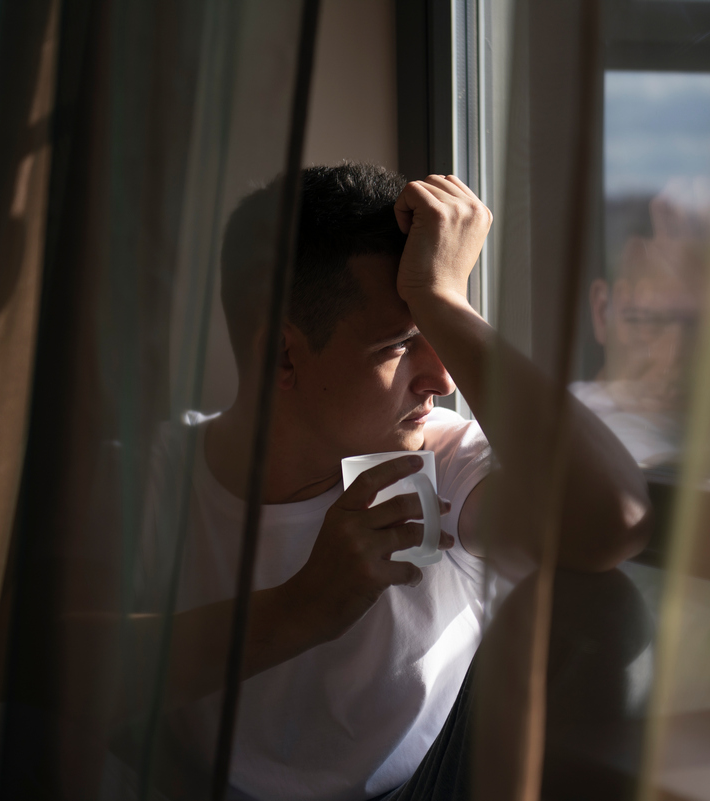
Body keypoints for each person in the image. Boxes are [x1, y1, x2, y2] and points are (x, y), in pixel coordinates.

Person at [128, 163, 652, 801]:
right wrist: (300, 610)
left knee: (604, 608)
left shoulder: (441, 462)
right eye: (403, 343)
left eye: (445, 339)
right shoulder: (153, 479)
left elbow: (613, 520)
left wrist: (444, 301)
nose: (444, 380)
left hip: (423, 786)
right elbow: (44, 666)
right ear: (283, 356)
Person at [574, 191, 710, 467]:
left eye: (697, 327)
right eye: (650, 320)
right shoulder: (574, 428)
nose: (672, 356)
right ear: (602, 312)